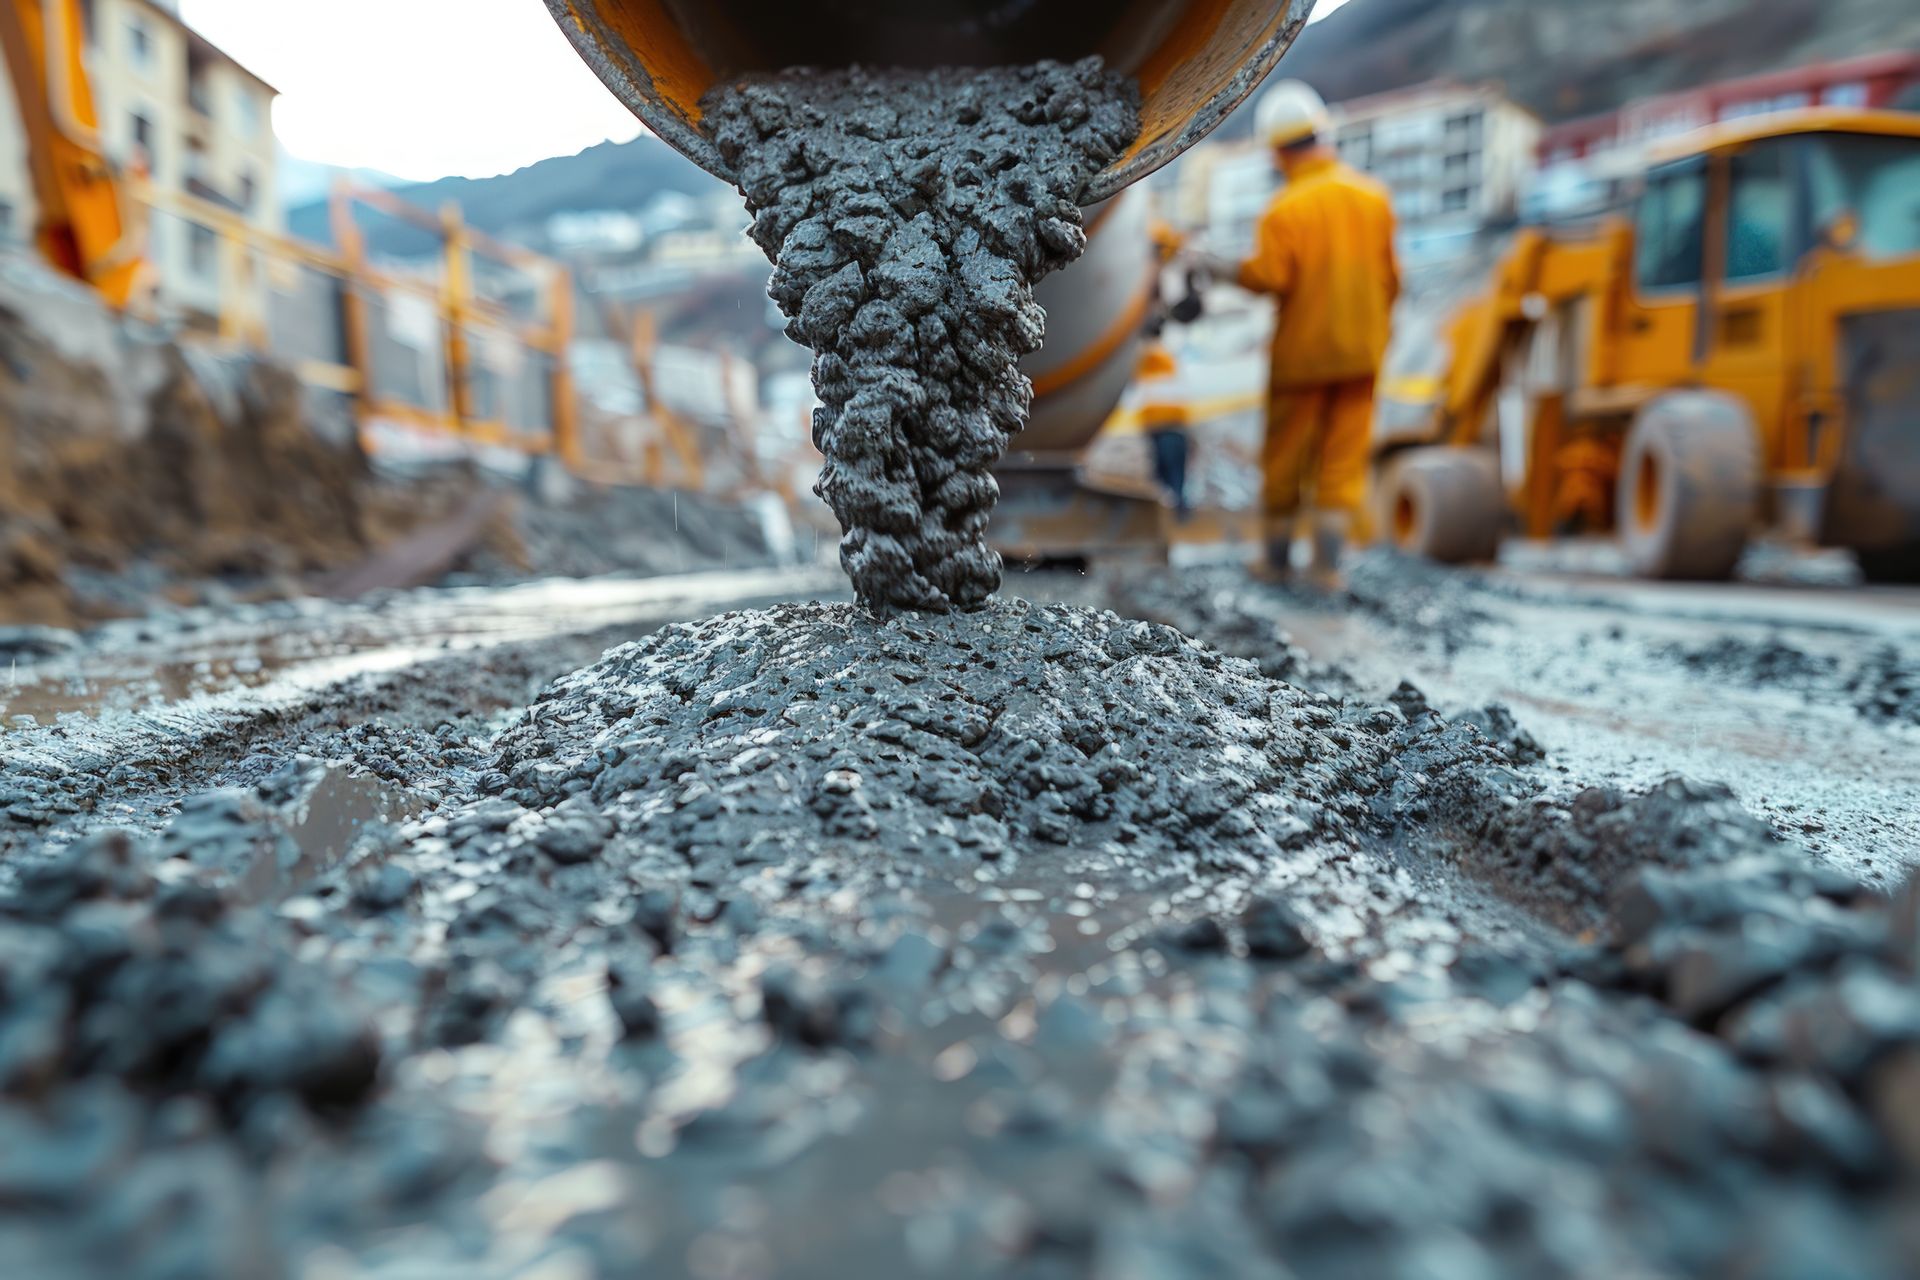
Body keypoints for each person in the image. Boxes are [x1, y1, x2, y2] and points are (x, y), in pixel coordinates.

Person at [1218, 80, 1400, 582]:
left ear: (1277, 152)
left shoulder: (1284, 210)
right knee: (1343, 460)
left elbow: (1270, 278)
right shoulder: (1374, 198)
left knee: (1286, 459)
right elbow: (1392, 281)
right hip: (1362, 354)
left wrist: (1223, 268)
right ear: (1322, 135)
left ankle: (1276, 565)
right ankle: (1327, 570)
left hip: (1302, 358)